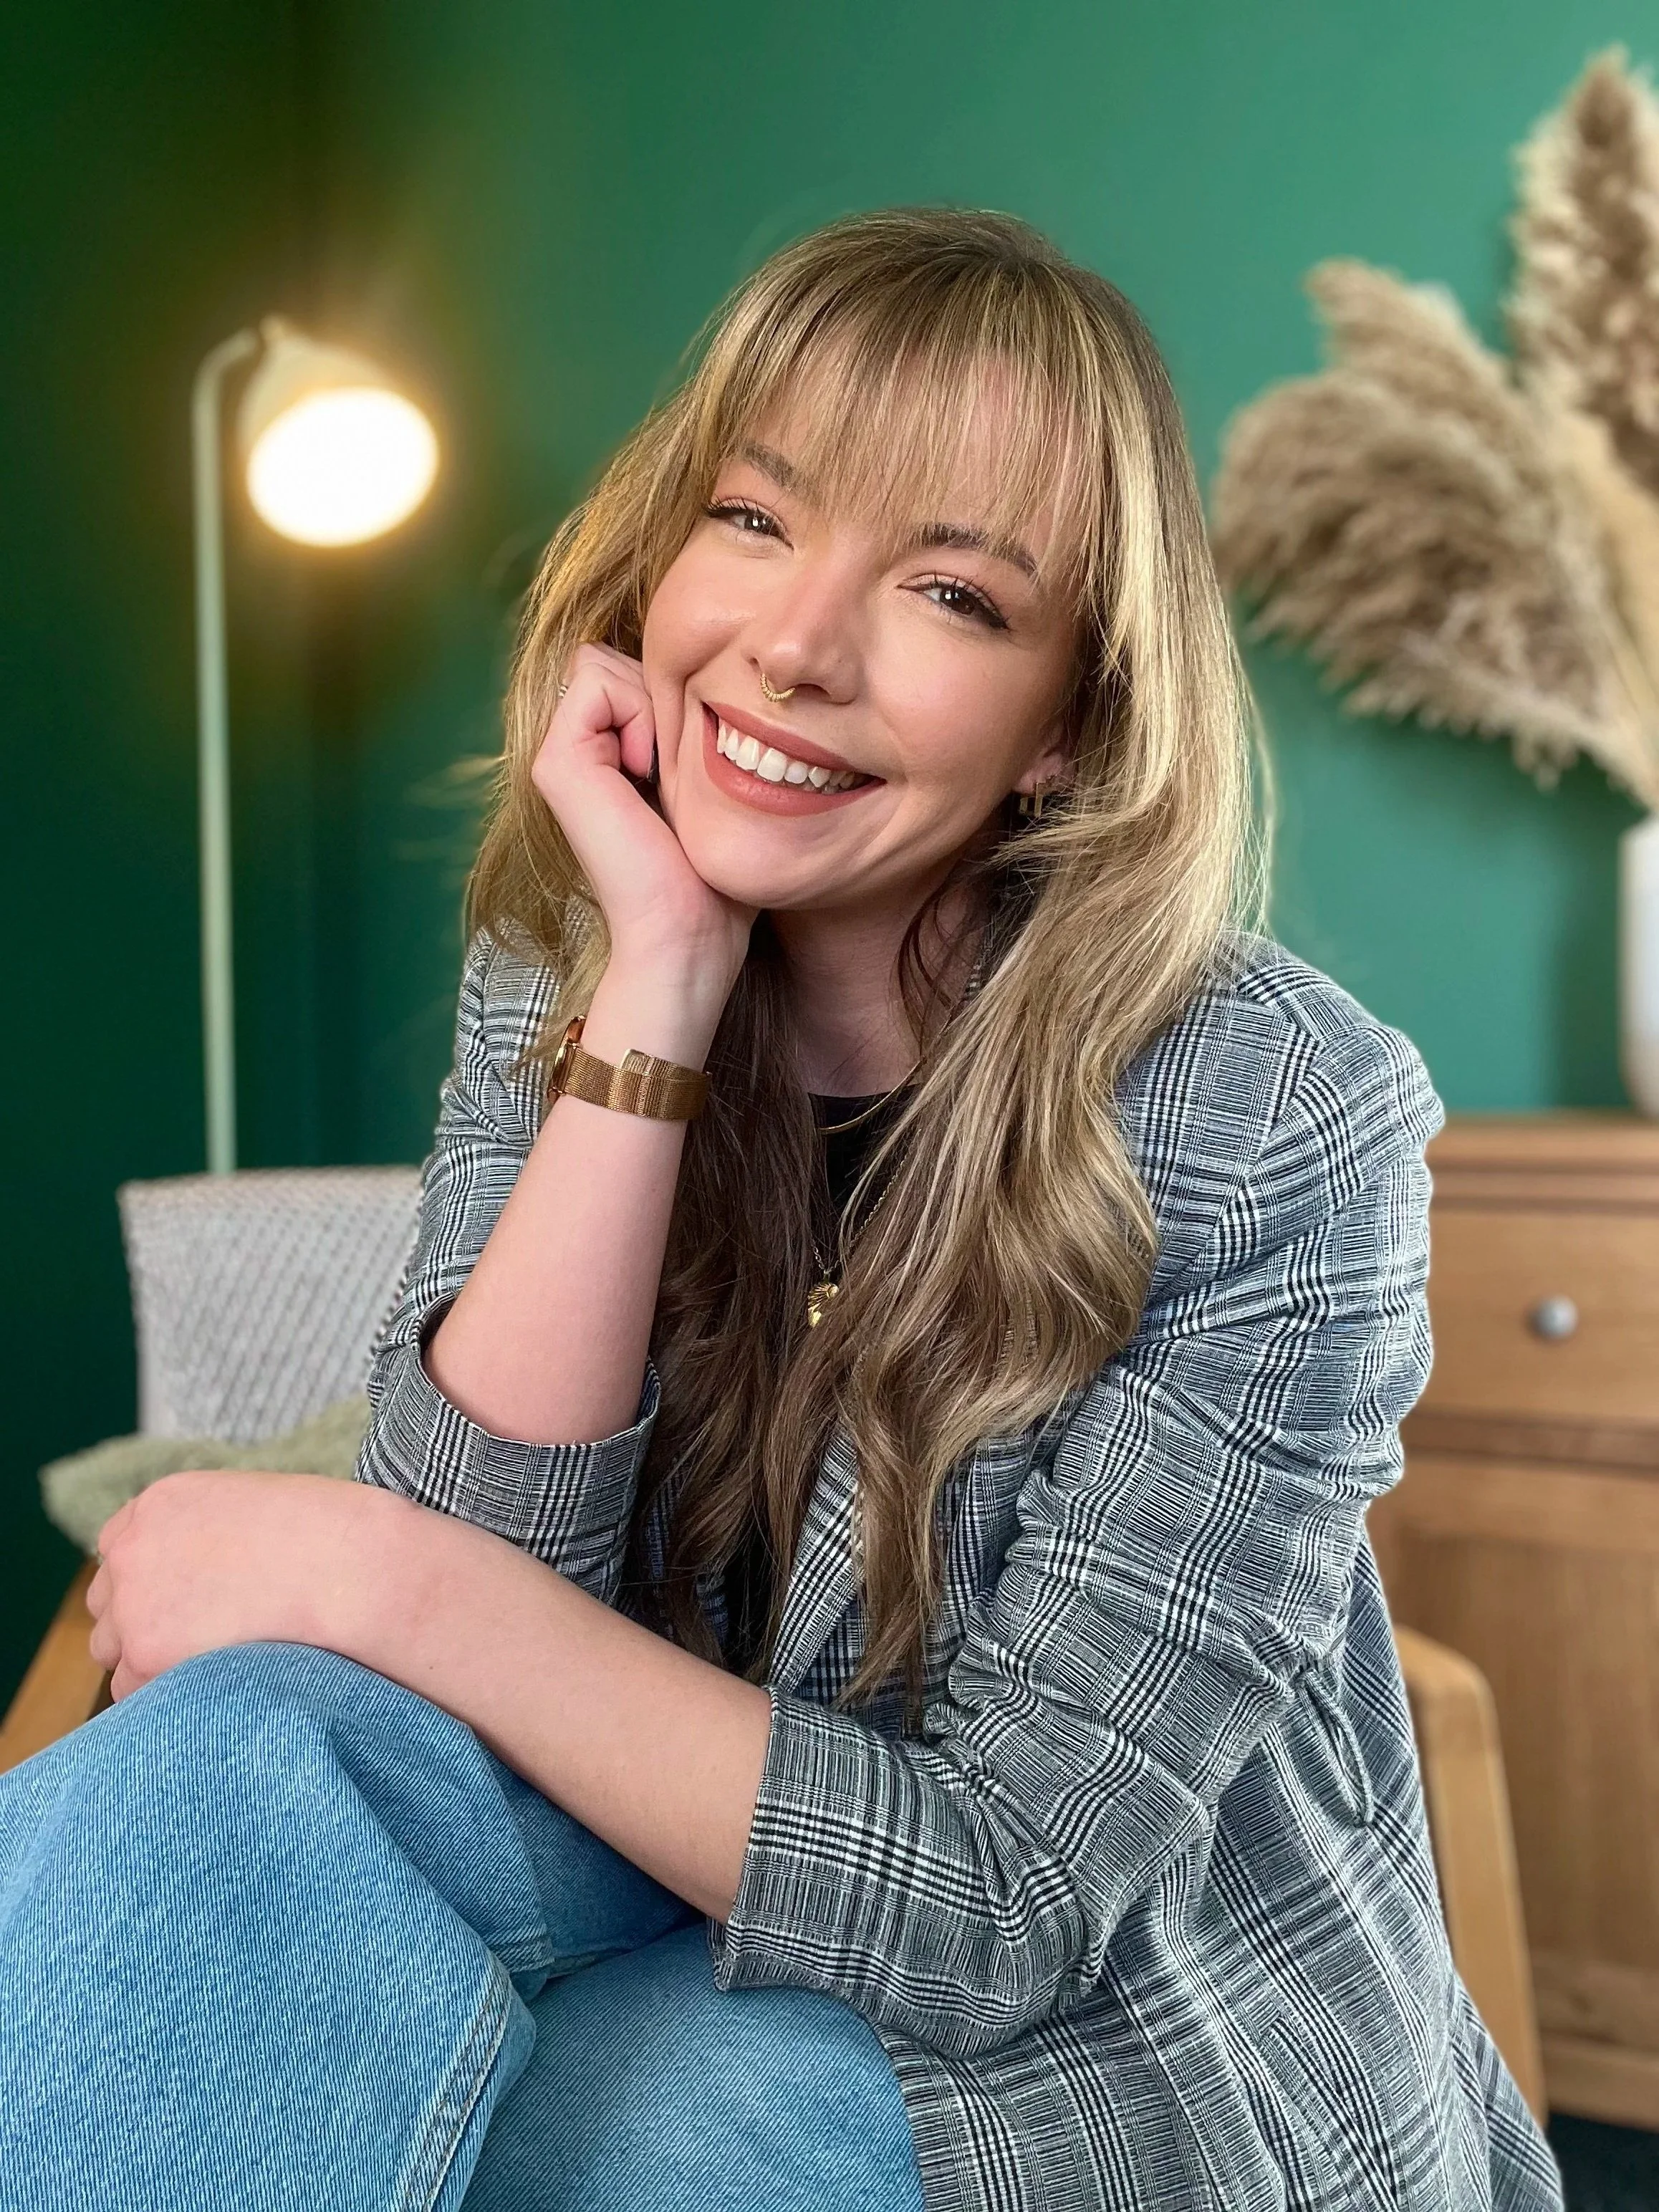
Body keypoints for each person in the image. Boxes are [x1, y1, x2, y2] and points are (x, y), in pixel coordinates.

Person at [0, 208, 1565, 2212]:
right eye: (751, 520)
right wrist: (655, 979)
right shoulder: (569, 960)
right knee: (206, 1782)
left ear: (1070, 720)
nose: (795, 645)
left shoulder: (1278, 1117)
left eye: (949, 593)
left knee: (573, 2138)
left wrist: (374, 1579)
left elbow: (998, 1907)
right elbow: (493, 1563)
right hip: (621, 1849)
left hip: (1089, 2026)